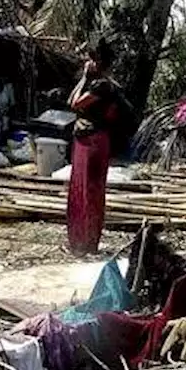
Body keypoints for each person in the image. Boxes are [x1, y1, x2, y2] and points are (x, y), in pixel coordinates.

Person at [66, 37, 130, 256]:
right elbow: (70, 101)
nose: (86, 62)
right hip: (85, 140)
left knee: (90, 191)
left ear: (97, 61)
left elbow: (76, 104)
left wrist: (84, 77)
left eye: (90, 58)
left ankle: (88, 242)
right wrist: (84, 78)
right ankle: (80, 241)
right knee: (80, 188)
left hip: (93, 141)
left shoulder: (102, 86)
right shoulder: (96, 84)